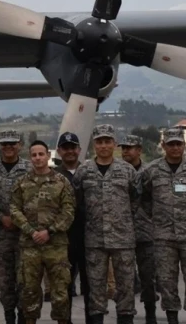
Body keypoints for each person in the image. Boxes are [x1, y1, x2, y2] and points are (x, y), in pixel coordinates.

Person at [140, 128, 186, 324]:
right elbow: (144, 199)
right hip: (163, 238)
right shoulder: (151, 170)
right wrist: (158, 217)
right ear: (164, 146)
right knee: (166, 282)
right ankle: (172, 318)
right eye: (170, 144)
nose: (175, 148)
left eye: (178, 144)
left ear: (184, 145)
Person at [72, 124, 140, 324]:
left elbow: (136, 200)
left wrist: (122, 218)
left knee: (126, 286)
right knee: (96, 287)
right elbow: (76, 200)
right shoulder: (84, 171)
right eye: (99, 142)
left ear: (114, 143)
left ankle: (125, 319)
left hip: (123, 239)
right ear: (94, 144)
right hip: (95, 240)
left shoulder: (127, 170)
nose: (103, 146)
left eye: (107, 141)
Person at [10, 140, 75, 324]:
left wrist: (50, 231)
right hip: (30, 246)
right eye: (34, 155)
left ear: (48, 155)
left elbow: (69, 211)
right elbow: (14, 209)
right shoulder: (21, 183)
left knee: (60, 293)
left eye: (41, 154)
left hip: (56, 246)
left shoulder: (61, 182)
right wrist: (31, 231)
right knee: (29, 291)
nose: (37, 158)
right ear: (30, 157)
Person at [0, 129, 31, 324]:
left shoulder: (30, 169)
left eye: (12, 143)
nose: (9, 147)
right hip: (1, 237)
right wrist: (0, 217)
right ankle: (9, 317)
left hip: (25, 237)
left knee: (25, 283)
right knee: (5, 285)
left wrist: (20, 219)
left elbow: (37, 201)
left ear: (19, 145)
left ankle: (22, 318)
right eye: (5, 144)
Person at [54, 132, 92, 324]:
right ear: (59, 151)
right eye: (65, 148)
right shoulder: (53, 176)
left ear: (79, 150)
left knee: (90, 285)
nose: (69, 151)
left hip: (88, 236)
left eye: (73, 147)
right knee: (64, 285)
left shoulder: (89, 172)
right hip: (63, 238)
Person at [119, 134, 157, 323]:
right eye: (124, 148)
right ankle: (125, 314)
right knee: (124, 279)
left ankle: (150, 312)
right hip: (122, 233)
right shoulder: (117, 171)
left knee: (148, 277)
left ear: (139, 150)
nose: (126, 151)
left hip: (146, 232)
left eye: (130, 147)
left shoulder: (150, 172)